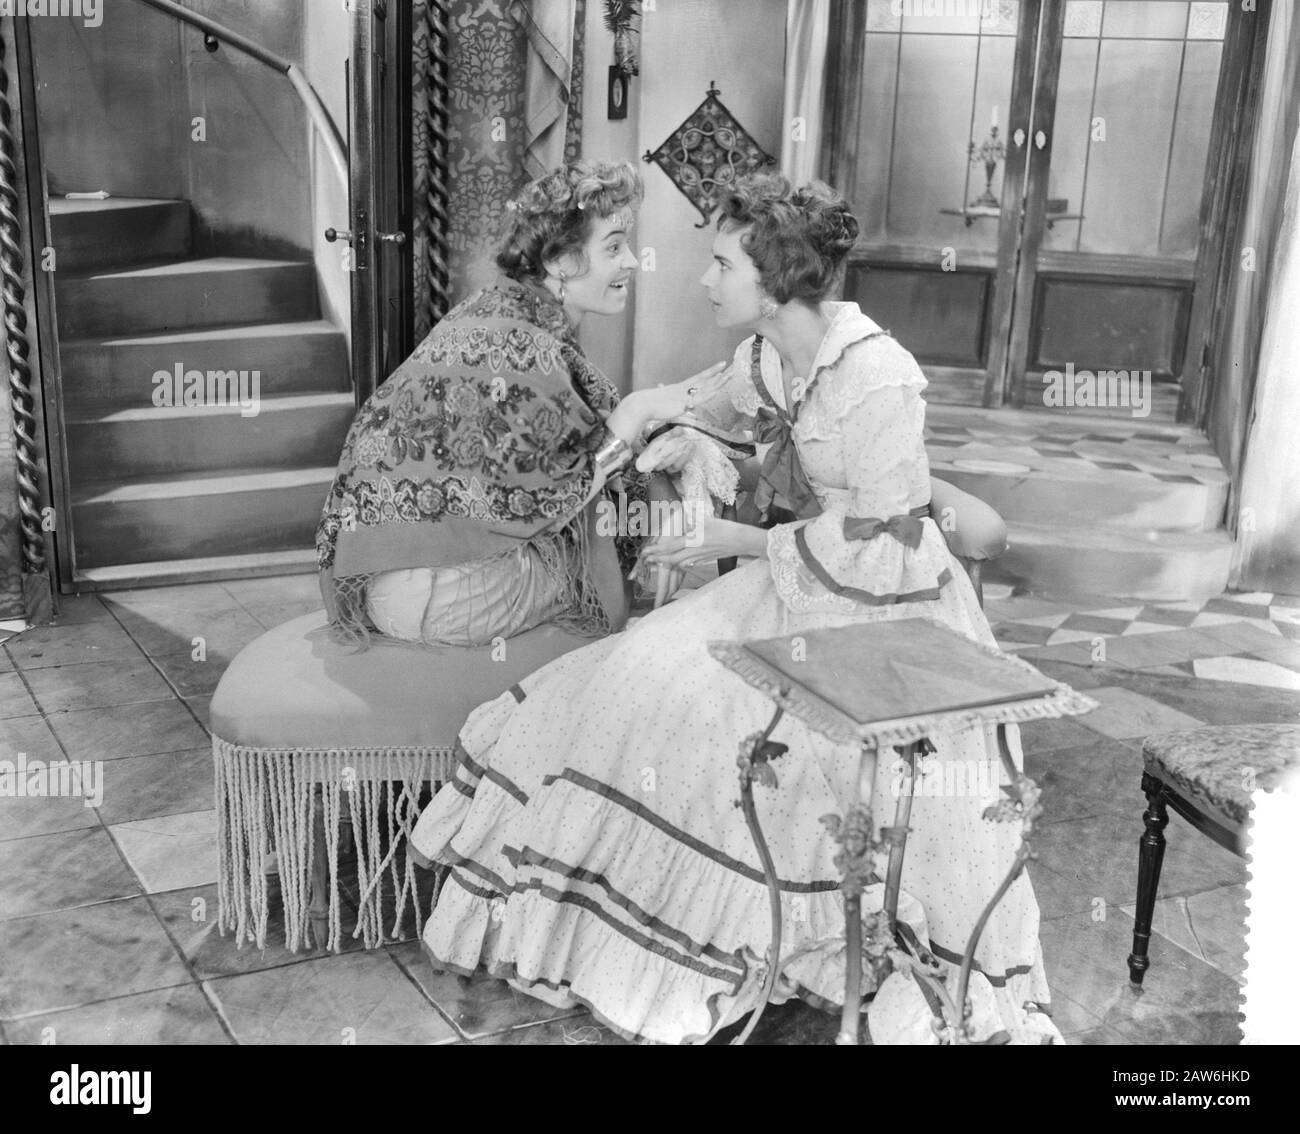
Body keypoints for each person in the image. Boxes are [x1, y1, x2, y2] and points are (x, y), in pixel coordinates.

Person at [408, 172, 1063, 1045]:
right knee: (633, 678)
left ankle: (793, 938)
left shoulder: (880, 379)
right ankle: (591, 931)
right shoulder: (764, 356)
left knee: (747, 737)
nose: (702, 280)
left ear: (777, 273)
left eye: (720, 263)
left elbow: (887, 545)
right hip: (793, 584)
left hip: (885, 613)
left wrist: (744, 540)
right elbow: (700, 402)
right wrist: (651, 420)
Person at [315, 160, 717, 646]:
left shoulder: (496, 310)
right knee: (615, 545)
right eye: (614, 247)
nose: (632, 261)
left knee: (629, 510)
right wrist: (635, 414)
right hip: (446, 600)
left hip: (382, 584)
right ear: (561, 262)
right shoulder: (530, 347)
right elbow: (551, 495)